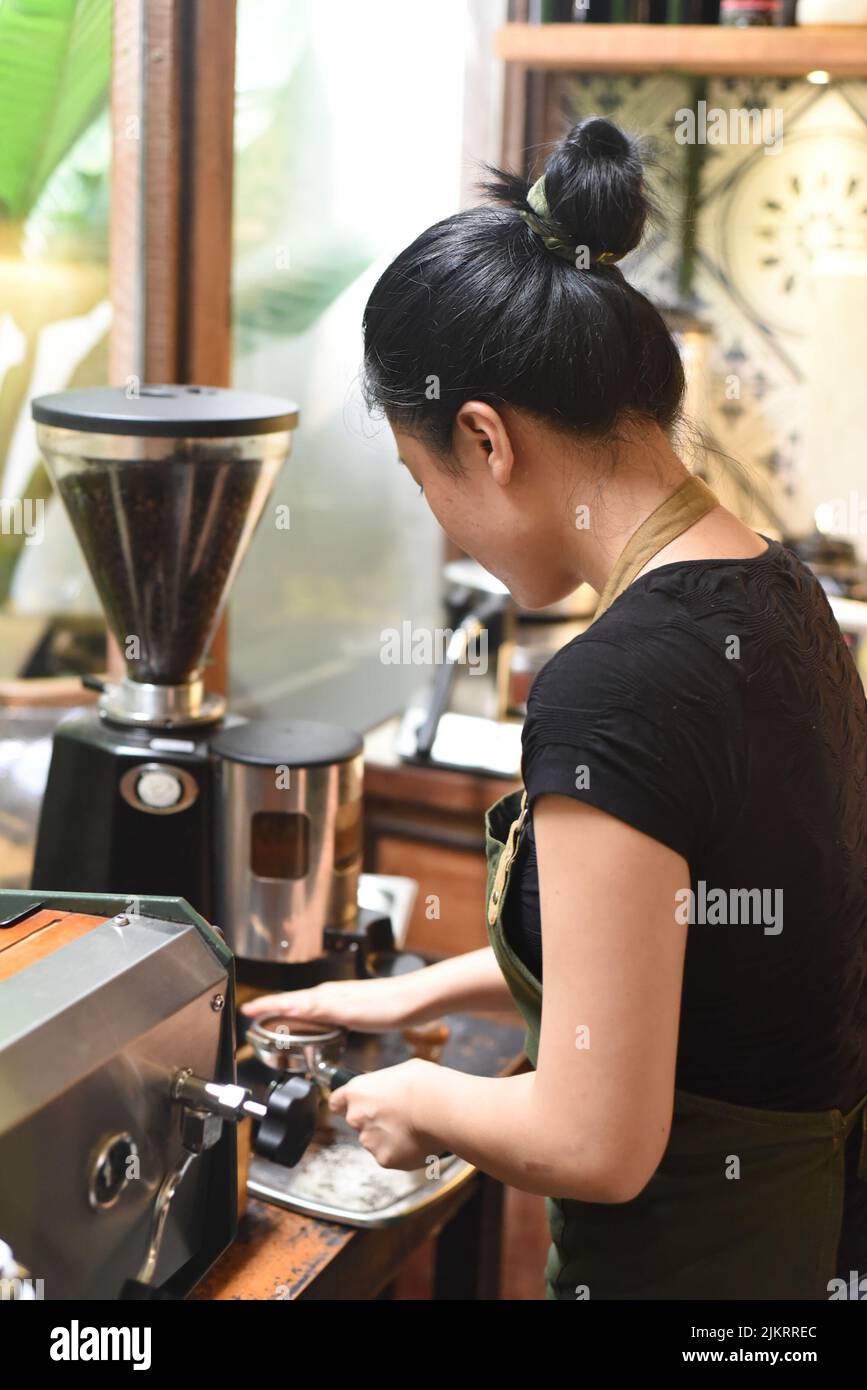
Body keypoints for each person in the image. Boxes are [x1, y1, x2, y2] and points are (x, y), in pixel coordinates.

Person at [244, 117, 867, 1299]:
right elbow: (696, 948)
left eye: (424, 481)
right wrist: (422, 989)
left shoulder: (610, 687)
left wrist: (414, 1093)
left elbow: (597, 1140)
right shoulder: (782, 593)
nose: (442, 521)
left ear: (484, 438)